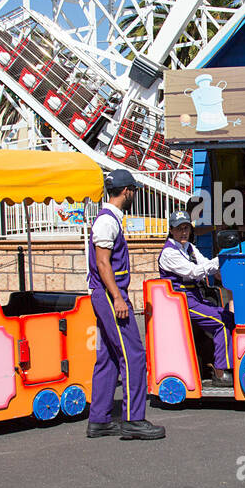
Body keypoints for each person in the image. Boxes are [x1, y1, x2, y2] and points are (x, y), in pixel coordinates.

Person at [86, 169, 164, 440]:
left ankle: (99, 419)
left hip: (106, 293)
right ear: (127, 191)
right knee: (133, 355)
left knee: (108, 356)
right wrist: (118, 297)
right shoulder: (108, 221)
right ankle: (133, 419)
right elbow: (102, 262)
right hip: (110, 295)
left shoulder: (109, 219)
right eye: (134, 191)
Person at [160, 210, 232, 387]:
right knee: (221, 322)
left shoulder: (190, 248)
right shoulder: (169, 253)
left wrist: (221, 267)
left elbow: (205, 264)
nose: (183, 232)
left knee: (230, 317)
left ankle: (224, 362)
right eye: (179, 229)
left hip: (195, 297)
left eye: (186, 228)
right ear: (171, 230)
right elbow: (193, 271)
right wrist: (221, 259)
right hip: (181, 301)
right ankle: (221, 371)